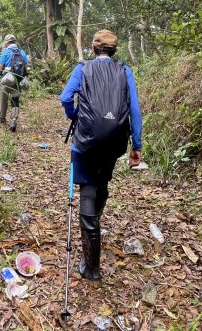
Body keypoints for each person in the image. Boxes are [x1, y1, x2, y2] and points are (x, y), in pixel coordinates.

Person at [60, 29, 142, 281]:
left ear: (94, 50)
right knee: (101, 184)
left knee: (87, 191)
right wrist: (136, 145)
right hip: (113, 143)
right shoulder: (124, 71)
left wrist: (75, 116)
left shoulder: (82, 69)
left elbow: (65, 98)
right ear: (114, 51)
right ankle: (93, 223)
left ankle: (92, 267)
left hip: (84, 142)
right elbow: (135, 110)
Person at [0, 34, 28, 131]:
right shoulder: (22, 52)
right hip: (18, 80)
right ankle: (14, 120)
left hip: (7, 79)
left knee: (4, 99)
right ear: (14, 42)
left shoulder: (6, 52)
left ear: (6, 42)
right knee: (15, 100)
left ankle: (1, 118)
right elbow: (26, 68)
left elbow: (0, 67)